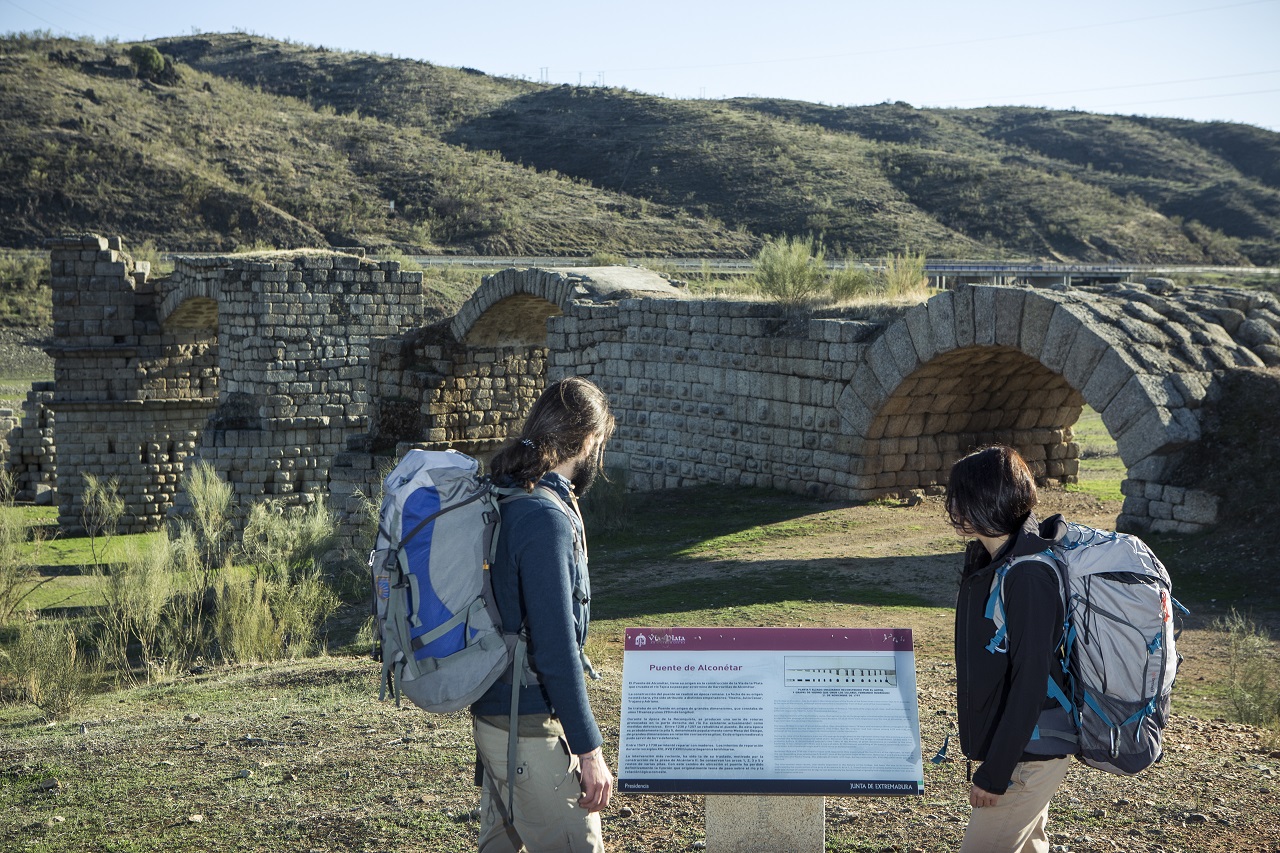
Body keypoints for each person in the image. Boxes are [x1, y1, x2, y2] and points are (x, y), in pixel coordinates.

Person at [470, 376, 616, 853]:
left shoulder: (508, 493)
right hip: (528, 725)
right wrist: (589, 750)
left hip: (495, 716)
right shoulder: (544, 516)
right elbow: (556, 649)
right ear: (589, 440)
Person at [948, 445, 1076, 853]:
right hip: (1025, 744)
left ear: (983, 501)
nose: (951, 505)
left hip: (1030, 751)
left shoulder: (1028, 574)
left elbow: (1031, 681)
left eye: (959, 496)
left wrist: (997, 771)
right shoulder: (995, 561)